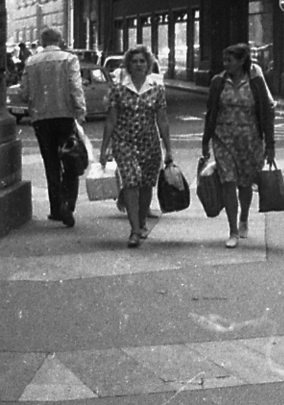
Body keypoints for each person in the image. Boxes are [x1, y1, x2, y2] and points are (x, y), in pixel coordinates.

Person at [203, 43, 277, 245]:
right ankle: (233, 231)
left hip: (250, 140)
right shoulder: (218, 82)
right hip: (223, 139)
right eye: (224, 60)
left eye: (230, 60)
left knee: (245, 183)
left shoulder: (255, 83)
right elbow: (211, 112)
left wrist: (270, 145)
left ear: (242, 60)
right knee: (228, 182)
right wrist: (205, 141)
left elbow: (267, 114)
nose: (225, 64)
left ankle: (244, 217)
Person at [100, 45, 173, 246]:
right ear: (128, 65)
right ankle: (133, 230)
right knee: (131, 181)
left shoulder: (157, 89)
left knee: (146, 184)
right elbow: (111, 121)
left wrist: (168, 149)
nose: (139, 64)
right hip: (125, 142)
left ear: (148, 64)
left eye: (142, 61)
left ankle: (141, 222)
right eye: (135, 61)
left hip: (149, 144)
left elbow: (163, 121)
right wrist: (104, 148)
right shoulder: (118, 89)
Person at [20, 27, 87, 229]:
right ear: (60, 40)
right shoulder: (69, 59)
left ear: (41, 40)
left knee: (51, 164)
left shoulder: (31, 62)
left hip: (41, 118)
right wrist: (80, 111)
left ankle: (56, 208)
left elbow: (24, 92)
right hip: (65, 115)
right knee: (70, 159)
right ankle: (68, 204)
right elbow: (75, 87)